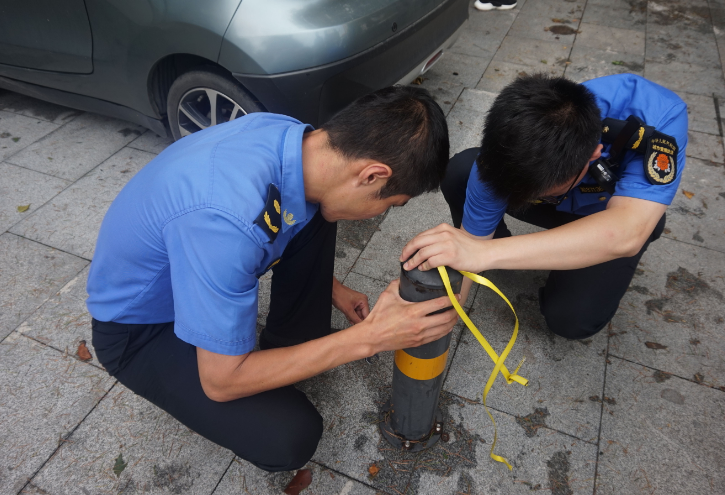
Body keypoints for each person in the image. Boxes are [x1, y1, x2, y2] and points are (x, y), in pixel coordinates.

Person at [86, 85, 459, 472]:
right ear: (371, 175)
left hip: (197, 257)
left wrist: (331, 289)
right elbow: (220, 381)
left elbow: (279, 221)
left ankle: (287, 350)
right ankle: (268, 366)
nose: (377, 215)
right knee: (289, 437)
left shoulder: (294, 138)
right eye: (388, 204)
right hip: (139, 330)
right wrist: (369, 338)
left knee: (323, 207)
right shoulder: (226, 222)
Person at [401, 73, 688, 340]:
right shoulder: (503, 151)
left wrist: (485, 253)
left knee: (571, 319)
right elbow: (472, 239)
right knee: (462, 171)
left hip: (612, 217)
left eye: (541, 193)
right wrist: (444, 311)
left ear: (593, 156)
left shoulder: (657, 117)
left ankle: (643, 218)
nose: (524, 200)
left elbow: (627, 231)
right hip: (571, 205)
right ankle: (505, 254)